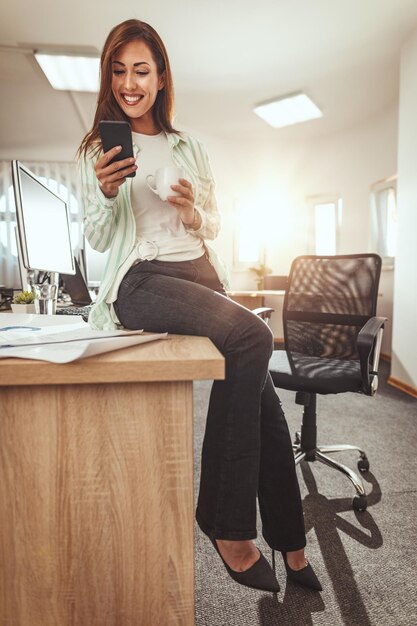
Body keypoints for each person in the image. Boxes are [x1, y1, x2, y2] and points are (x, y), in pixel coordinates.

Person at [78, 18, 321, 593]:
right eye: (118, 71)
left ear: (161, 77)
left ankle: (292, 544)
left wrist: (191, 213)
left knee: (267, 409)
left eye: (141, 70)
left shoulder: (190, 147)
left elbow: (212, 223)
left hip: (200, 273)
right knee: (255, 337)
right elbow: (98, 238)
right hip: (141, 280)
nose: (129, 83)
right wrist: (109, 192)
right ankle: (228, 527)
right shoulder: (96, 149)